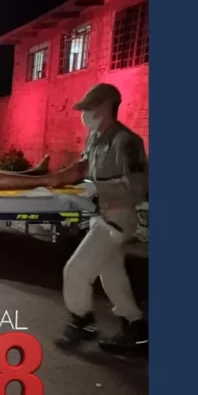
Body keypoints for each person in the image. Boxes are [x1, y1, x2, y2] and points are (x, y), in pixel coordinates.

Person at [57, 83, 149, 356]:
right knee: (112, 275)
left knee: (76, 270)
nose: (84, 115)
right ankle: (137, 330)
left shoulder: (126, 142)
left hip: (118, 218)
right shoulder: (95, 139)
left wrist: (99, 188)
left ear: (106, 107)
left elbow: (138, 184)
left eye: (89, 108)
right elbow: (85, 168)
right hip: (102, 215)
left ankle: (82, 321)